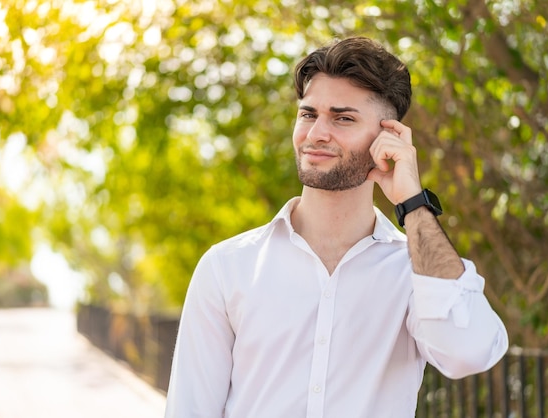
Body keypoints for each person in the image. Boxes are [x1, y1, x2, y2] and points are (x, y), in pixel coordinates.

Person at [164, 36, 508, 418]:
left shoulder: (416, 273)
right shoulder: (227, 266)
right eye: (308, 114)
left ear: (387, 136)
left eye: (343, 118)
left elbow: (469, 352)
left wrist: (412, 202)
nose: (315, 134)